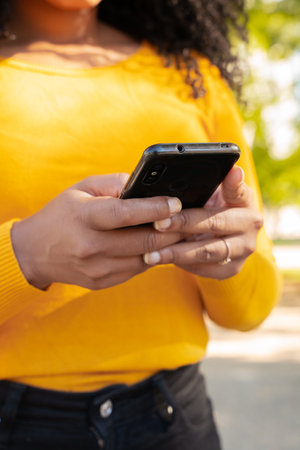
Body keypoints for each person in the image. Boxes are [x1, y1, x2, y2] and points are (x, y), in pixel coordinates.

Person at [0, 1, 281, 449]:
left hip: (173, 419)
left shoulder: (191, 74)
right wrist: (25, 254)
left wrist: (228, 257)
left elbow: (250, 309)